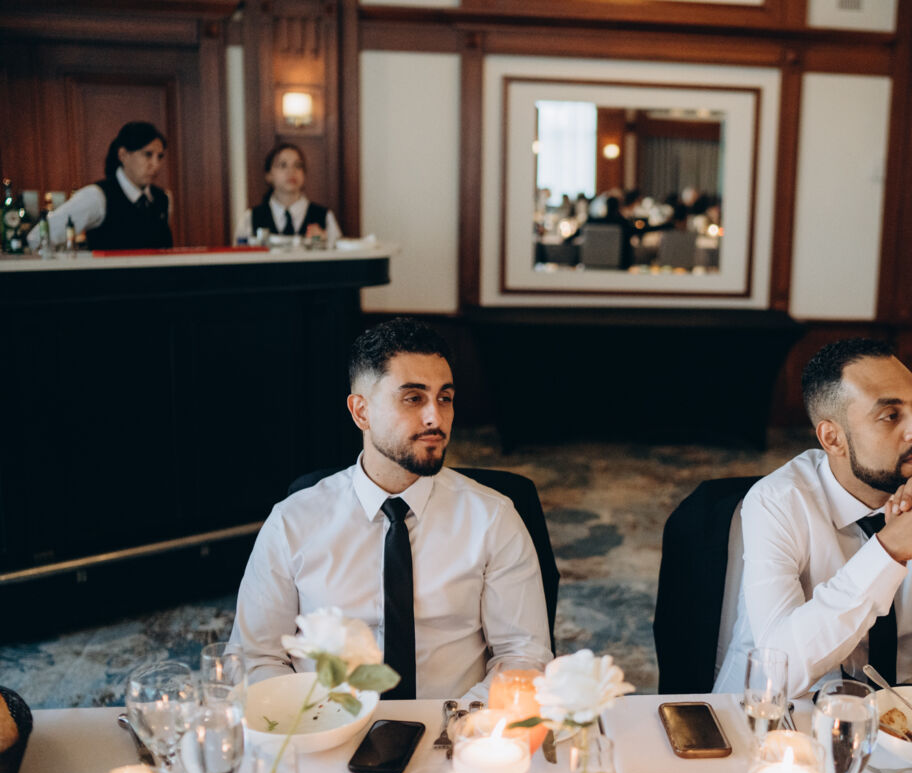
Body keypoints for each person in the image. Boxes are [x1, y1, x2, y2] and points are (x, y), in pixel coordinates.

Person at [229, 318, 552, 699]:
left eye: (444, 398)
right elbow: (255, 657)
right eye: (413, 398)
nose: (436, 418)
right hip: (324, 721)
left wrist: (463, 720)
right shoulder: (292, 523)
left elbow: (523, 654)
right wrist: (314, 719)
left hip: (457, 722)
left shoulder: (493, 518)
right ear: (361, 412)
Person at [714, 339, 912, 698]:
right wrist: (889, 551)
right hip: (774, 714)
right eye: (891, 416)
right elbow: (781, 671)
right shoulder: (777, 502)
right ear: (833, 438)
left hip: (898, 716)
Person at [29, 121, 172, 251]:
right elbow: (37, 238)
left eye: (160, 156)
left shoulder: (162, 198)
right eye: (148, 154)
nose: (156, 165)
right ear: (123, 155)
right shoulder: (97, 196)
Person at [234, 144, 341, 244]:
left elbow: (340, 254)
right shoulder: (250, 218)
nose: (291, 171)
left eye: (298, 165)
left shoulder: (325, 217)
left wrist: (326, 243)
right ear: (269, 175)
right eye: (283, 165)